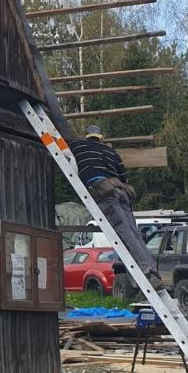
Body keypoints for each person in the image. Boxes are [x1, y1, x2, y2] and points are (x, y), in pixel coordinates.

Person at [70, 124, 164, 290]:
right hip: (121, 192)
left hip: (103, 192)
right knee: (134, 233)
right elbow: (123, 177)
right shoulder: (112, 152)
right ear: (101, 137)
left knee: (124, 233)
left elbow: (63, 135)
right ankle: (153, 272)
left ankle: (146, 271)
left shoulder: (78, 146)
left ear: (86, 136)